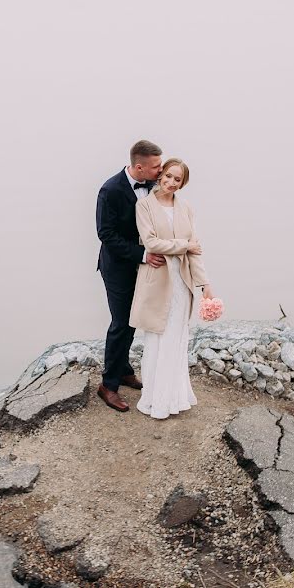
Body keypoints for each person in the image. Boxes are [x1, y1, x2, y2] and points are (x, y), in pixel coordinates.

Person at [129, 158, 214, 419]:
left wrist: (205, 285)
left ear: (182, 183)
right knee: (157, 338)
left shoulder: (186, 208)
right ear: (160, 175)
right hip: (158, 280)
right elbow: (151, 243)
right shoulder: (144, 206)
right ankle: (154, 401)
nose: (171, 183)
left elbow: (195, 250)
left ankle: (175, 397)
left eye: (177, 179)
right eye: (167, 176)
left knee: (177, 339)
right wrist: (183, 245)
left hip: (182, 282)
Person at [95, 140, 167, 412]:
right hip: (118, 267)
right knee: (121, 322)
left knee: (133, 318)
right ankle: (108, 385)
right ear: (139, 167)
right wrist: (142, 254)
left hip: (144, 266)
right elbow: (106, 234)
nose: (160, 170)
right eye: (156, 166)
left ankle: (124, 370)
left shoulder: (153, 186)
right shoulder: (110, 190)